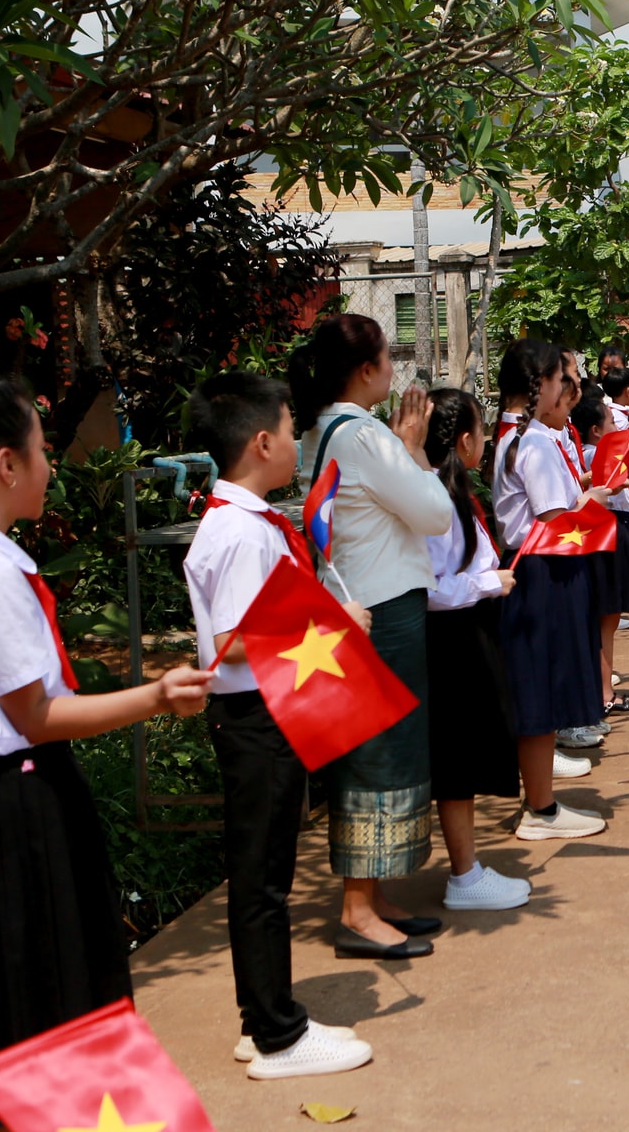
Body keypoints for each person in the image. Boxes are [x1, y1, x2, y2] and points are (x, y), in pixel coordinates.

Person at [0, 376, 216, 1125]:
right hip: (15, 816)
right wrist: (156, 696)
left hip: (5, 806)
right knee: (36, 1022)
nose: (52, 466)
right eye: (43, 450)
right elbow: (37, 715)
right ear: (6, 465)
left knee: (26, 1027)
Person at [183, 374, 377, 1079]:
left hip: (265, 713)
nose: (298, 443)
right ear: (262, 442)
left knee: (265, 872)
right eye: (293, 430)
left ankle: (261, 1016)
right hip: (254, 717)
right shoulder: (240, 532)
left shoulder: (248, 522)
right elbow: (232, 641)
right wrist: (334, 622)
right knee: (262, 879)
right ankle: (276, 1035)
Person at [293, 316, 454, 958]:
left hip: (358, 604)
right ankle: (358, 910)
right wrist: (411, 446)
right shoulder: (364, 435)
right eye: (387, 358)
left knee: (383, 750)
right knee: (379, 755)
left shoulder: (323, 429)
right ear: (366, 371)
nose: (394, 370)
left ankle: (375, 895)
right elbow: (435, 514)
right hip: (379, 613)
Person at [420, 387, 534, 910]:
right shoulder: (434, 501)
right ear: (465, 441)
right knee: (456, 759)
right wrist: (489, 583)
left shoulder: (452, 493)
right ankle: (463, 875)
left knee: (465, 756)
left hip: (469, 630)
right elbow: (430, 587)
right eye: (482, 431)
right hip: (451, 638)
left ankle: (468, 869)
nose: (486, 441)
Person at [493, 340, 610, 840]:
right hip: (543, 571)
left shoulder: (521, 436)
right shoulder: (534, 442)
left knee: (538, 687)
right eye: (560, 380)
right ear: (540, 384)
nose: (566, 389)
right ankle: (540, 809)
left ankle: (540, 802)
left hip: (536, 570)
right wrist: (593, 499)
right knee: (540, 688)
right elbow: (555, 520)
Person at [573, 394, 629, 715]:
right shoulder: (598, 453)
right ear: (595, 430)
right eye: (611, 422)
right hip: (607, 530)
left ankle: (602, 689)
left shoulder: (590, 452)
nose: (616, 427)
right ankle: (605, 693)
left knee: (608, 616)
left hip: (610, 529)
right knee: (607, 616)